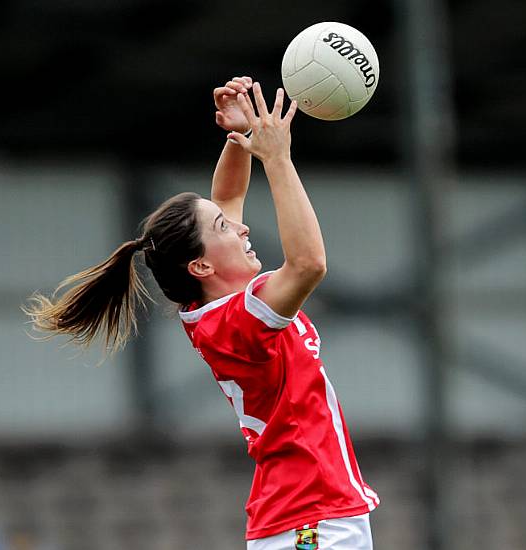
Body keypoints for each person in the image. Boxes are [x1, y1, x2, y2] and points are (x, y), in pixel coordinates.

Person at [24, 77, 379, 549]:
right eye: (224, 228)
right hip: (308, 521)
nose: (242, 226)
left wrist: (237, 138)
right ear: (201, 264)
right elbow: (309, 264)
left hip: (312, 517)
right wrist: (276, 158)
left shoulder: (215, 304)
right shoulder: (237, 322)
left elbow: (226, 199)